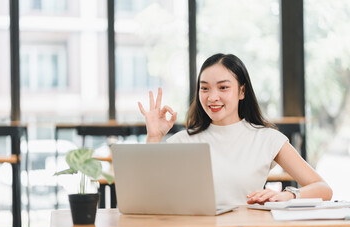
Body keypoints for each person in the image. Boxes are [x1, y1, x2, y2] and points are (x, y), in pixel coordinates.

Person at [138, 53, 332, 206]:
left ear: (242, 91)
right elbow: (145, 197)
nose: (212, 97)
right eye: (204, 88)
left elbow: (323, 189)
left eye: (223, 88)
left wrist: (287, 195)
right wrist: (154, 137)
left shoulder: (266, 138)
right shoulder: (182, 140)